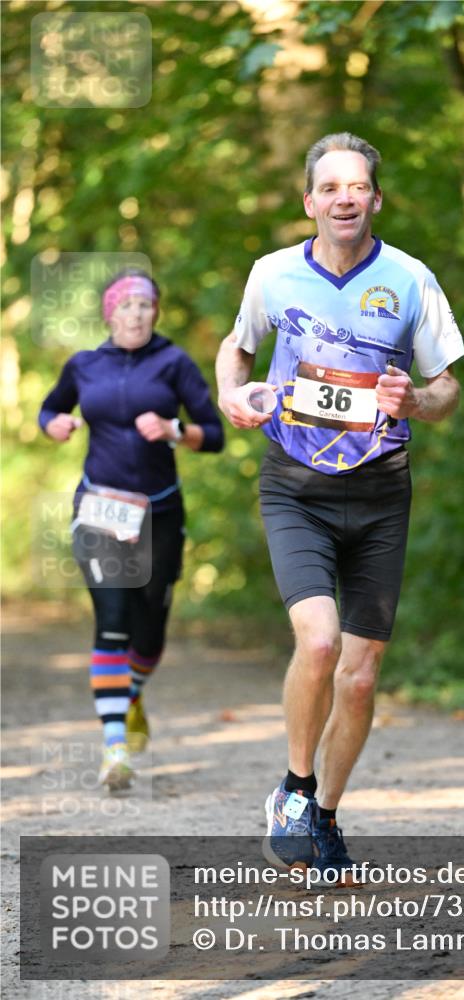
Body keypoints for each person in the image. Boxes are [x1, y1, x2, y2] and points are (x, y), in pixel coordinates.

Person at [216, 132, 464, 880]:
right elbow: (237, 347)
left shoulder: (411, 279)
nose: (344, 198)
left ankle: (324, 818)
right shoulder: (273, 273)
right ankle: (294, 791)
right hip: (296, 484)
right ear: (310, 202)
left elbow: (448, 388)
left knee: (359, 675)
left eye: (357, 186)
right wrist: (231, 393)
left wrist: (415, 402)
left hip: (381, 489)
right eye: (330, 188)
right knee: (320, 643)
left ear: (375, 199)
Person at [39, 268, 224, 791]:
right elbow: (50, 407)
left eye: (146, 305)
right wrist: (54, 424)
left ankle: (132, 692)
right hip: (99, 508)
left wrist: (174, 430)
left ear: (155, 312)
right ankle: (115, 747)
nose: (137, 314)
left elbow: (214, 435)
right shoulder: (85, 365)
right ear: (110, 313)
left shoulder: (174, 363)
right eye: (127, 305)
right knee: (113, 618)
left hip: (158, 513)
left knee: (149, 635)